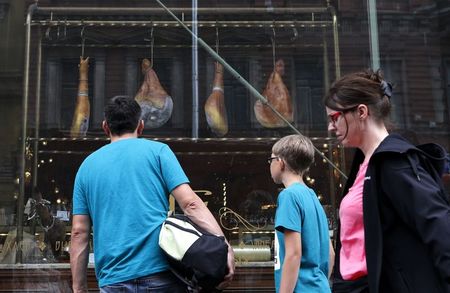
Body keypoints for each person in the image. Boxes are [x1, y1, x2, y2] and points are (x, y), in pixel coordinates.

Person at [70, 96, 235, 293]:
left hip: (113, 279)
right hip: (160, 274)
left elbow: (79, 232)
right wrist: (224, 246)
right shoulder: (158, 152)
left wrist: (79, 288)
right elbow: (190, 204)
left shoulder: (87, 167)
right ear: (140, 126)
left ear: (106, 127)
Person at [324, 69, 450, 292]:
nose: (330, 127)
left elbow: (439, 227)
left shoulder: (394, 163)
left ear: (361, 112)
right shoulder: (367, 164)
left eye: (335, 118)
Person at [270, 134, 334, 293]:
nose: (269, 165)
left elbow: (293, 254)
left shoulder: (288, 196)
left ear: (280, 162)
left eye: (270, 160)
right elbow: (330, 254)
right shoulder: (312, 196)